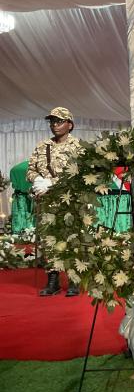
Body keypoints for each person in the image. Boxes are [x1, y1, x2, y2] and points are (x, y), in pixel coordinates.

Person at [27, 107, 83, 296]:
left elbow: (80, 175)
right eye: (52, 122)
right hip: (47, 202)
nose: (54, 125)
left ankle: (75, 279)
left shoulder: (78, 147)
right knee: (49, 241)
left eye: (59, 121)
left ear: (70, 124)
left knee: (72, 238)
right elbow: (31, 170)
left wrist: (51, 182)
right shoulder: (42, 146)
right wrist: (37, 180)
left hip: (70, 202)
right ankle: (53, 281)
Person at [9, 160, 35, 234]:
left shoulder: (15, 169)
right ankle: (31, 231)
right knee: (31, 214)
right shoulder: (32, 169)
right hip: (32, 196)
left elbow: (14, 185)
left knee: (19, 213)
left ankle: (19, 231)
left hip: (19, 196)